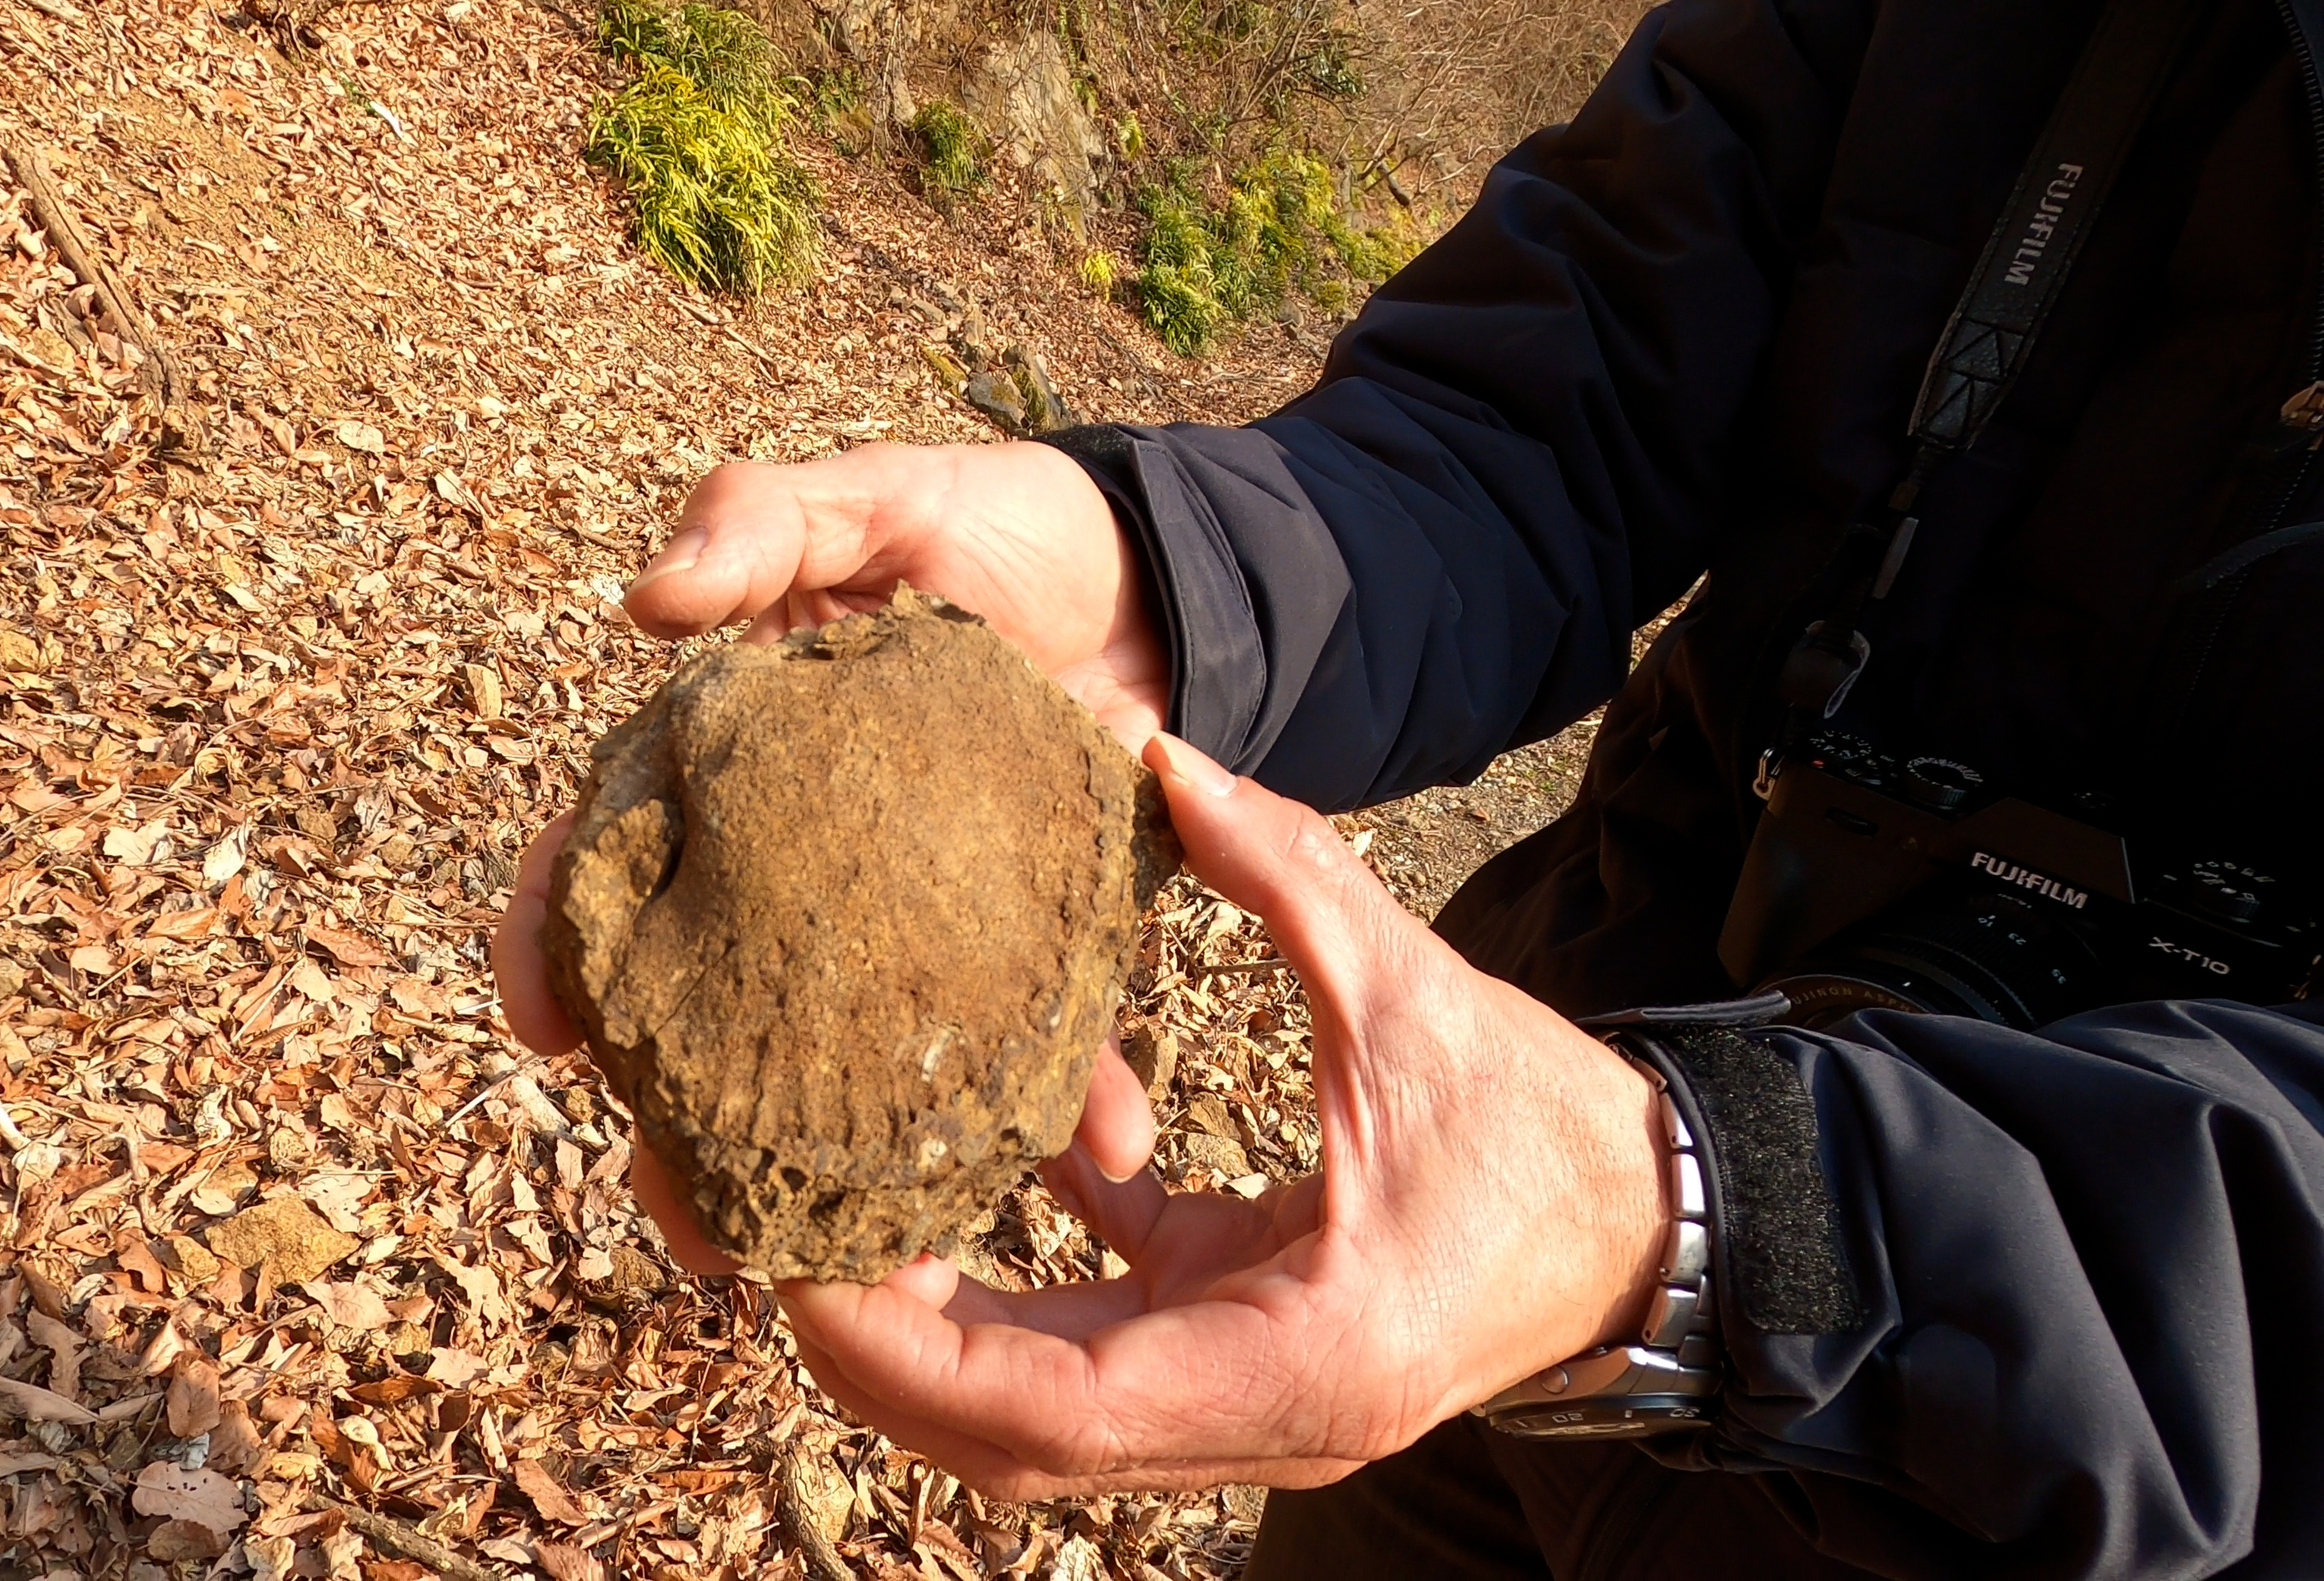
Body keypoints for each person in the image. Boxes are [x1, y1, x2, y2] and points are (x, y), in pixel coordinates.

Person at [492, 0, 2324, 1569]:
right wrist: (1158, 578)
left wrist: (1719, 1216)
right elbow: (1551, 409)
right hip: (1523, 1152)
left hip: (2040, 1491)